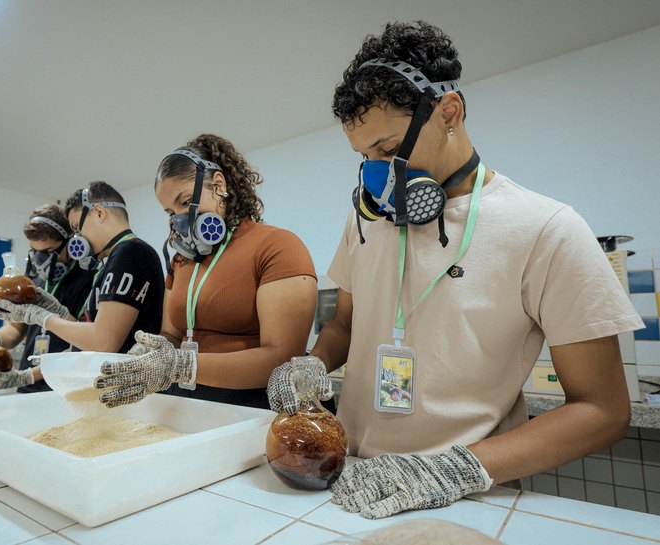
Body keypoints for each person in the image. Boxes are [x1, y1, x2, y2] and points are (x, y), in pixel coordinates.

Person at [266, 21, 643, 520]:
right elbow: (346, 324)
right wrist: (315, 363)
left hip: (469, 499)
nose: (376, 173)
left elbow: (603, 410)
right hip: (354, 482)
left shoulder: (546, 228)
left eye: (387, 149)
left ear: (449, 112)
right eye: (364, 157)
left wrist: (450, 470)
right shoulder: (365, 220)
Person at [92, 134, 318, 409]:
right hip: (185, 407)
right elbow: (171, 334)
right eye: (169, 211)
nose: (177, 219)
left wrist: (182, 366)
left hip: (249, 412)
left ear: (218, 185)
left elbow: (282, 357)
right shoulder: (182, 261)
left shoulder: (277, 246)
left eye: (185, 202)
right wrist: (148, 356)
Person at [0, 181, 164, 355]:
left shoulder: (129, 252)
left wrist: (42, 317)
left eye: (77, 228)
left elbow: (103, 342)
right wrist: (57, 311)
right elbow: (91, 332)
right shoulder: (116, 258)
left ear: (99, 213)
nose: (77, 238)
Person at [0, 204, 94, 392]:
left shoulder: (87, 280)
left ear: (71, 244)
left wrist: (29, 375)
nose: (41, 261)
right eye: (35, 251)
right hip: (27, 388)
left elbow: (85, 344)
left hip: (64, 388)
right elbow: (15, 328)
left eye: (49, 251)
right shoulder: (32, 281)